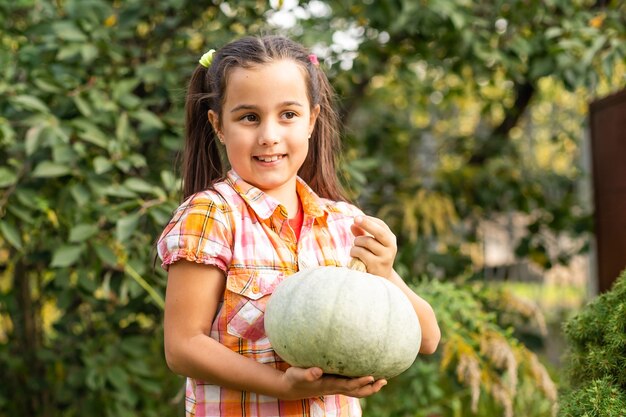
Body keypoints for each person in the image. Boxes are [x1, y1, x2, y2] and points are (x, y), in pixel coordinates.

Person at [157, 35, 441, 417]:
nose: (269, 135)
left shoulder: (345, 224)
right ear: (219, 125)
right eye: (249, 117)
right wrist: (282, 386)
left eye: (287, 114)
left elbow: (426, 338)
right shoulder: (212, 216)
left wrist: (385, 272)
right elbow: (182, 347)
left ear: (312, 120)